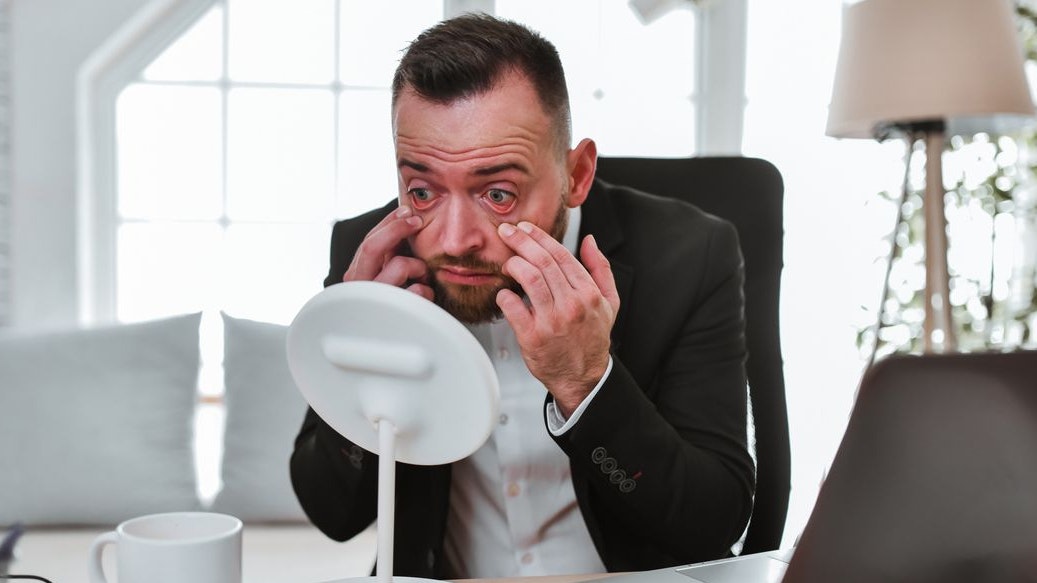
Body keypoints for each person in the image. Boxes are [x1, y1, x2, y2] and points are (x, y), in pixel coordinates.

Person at [290, 12, 754, 579]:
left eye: (499, 194)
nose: (455, 241)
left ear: (576, 173)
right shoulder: (370, 258)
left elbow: (714, 522)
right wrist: (361, 374)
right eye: (422, 190)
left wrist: (587, 383)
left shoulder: (689, 256)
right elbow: (331, 514)